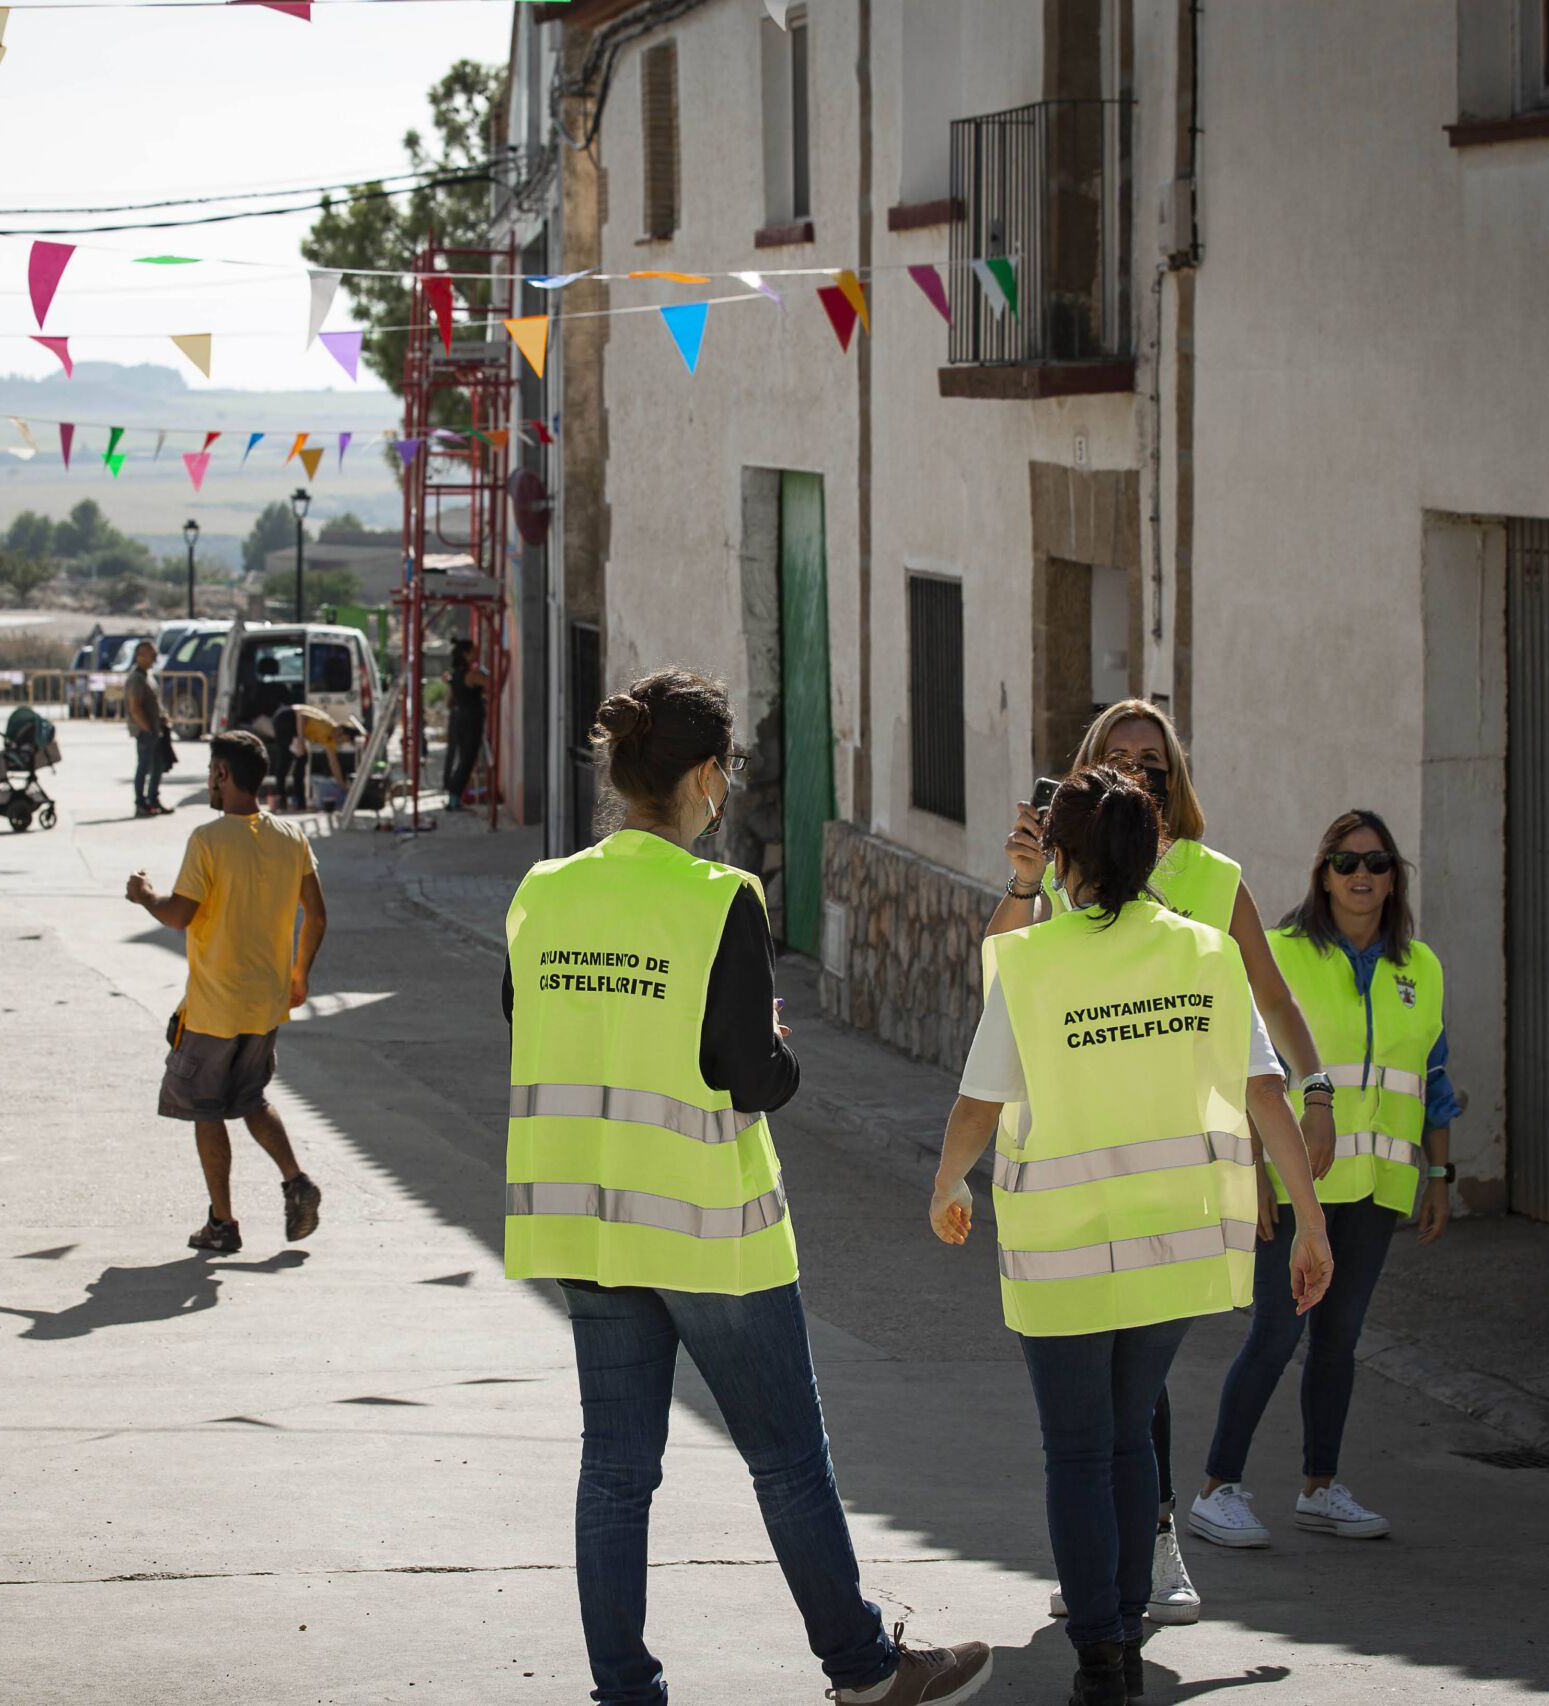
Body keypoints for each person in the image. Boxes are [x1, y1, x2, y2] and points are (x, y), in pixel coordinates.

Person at [505, 669, 992, 1706]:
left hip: (586, 1223)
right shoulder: (721, 896)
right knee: (787, 1460)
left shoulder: (543, 891)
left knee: (616, 1469)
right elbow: (749, 1075)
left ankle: (624, 1688)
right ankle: (862, 1669)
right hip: (709, 1230)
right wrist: (777, 1046)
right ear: (706, 778)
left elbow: (529, 1014)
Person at [930, 764, 1334, 1706]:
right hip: (1175, 1246)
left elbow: (976, 1106)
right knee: (1127, 1436)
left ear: (1063, 859)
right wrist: (1309, 1224)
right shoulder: (1204, 954)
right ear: (1155, 852)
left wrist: (948, 1184)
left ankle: (1102, 1655)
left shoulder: (1031, 964)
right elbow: (1264, 1095)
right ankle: (1117, 1628)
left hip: (1062, 1251)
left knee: (1077, 1449)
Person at [1192, 810, 1458, 1549]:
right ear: (1323, 874)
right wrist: (1255, 1171)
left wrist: (1440, 1171)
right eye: (1345, 862)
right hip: (1296, 1184)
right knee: (1277, 1333)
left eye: (1376, 863)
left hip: (1377, 1186)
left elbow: (1434, 1079)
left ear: (1394, 876)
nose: (1361, 875)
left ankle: (1320, 1487)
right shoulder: (1278, 953)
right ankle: (1218, 1487)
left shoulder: (1422, 968)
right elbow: (1236, 1066)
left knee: (1340, 1340)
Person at [125, 730, 326, 1254]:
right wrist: (299, 974)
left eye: (212, 771)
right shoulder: (291, 836)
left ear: (221, 774)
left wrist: (146, 896)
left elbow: (179, 915)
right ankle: (295, 1179)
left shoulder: (208, 840)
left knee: (207, 1109)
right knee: (252, 1097)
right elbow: (318, 913)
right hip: (265, 1003)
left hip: (214, 1007)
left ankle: (223, 1223)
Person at [444, 638, 488, 811]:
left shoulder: (455, 676)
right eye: (473, 651)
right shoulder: (472, 675)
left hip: (459, 719)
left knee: (463, 759)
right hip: (472, 720)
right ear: (466, 654)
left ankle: (454, 797)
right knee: (467, 761)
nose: (477, 654)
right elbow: (493, 685)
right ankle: (454, 798)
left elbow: (449, 702)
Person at [126, 639, 168, 817]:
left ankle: (153, 799)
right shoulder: (136, 679)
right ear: (140, 655)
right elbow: (135, 707)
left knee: (157, 766)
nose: (154, 657)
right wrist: (147, 728)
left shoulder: (147, 676)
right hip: (145, 732)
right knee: (143, 767)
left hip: (155, 730)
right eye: (151, 654)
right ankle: (140, 803)